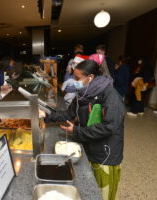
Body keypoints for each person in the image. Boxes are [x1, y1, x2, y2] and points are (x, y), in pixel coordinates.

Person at [45, 60, 124, 200]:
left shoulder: (111, 96)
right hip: (90, 144)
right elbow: (69, 114)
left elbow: (108, 127)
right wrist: (47, 115)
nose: (74, 82)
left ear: (91, 77)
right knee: (89, 186)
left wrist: (76, 132)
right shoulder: (83, 93)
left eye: (77, 78)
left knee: (100, 193)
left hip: (105, 152)